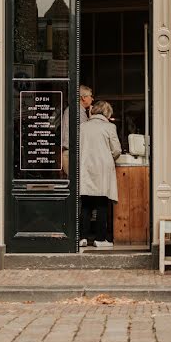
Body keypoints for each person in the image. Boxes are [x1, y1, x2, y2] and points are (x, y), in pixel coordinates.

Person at [79, 100, 121, 248]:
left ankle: (82, 238)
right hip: (103, 169)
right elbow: (116, 150)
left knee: (86, 203)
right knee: (102, 202)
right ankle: (100, 239)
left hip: (85, 167)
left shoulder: (82, 127)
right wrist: (109, 156)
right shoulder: (110, 127)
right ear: (107, 114)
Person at [60, 85, 93, 177]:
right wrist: (91, 117)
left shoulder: (77, 110)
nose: (92, 99)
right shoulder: (76, 111)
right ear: (83, 98)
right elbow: (86, 132)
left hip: (71, 153)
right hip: (73, 154)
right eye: (90, 96)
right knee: (77, 186)